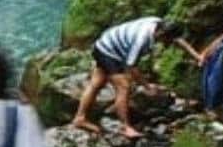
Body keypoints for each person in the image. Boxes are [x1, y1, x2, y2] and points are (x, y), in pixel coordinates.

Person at [70, 17, 199, 139]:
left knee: (96, 83)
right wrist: (147, 87)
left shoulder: (160, 23)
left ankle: (80, 118)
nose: (168, 44)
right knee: (124, 87)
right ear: (161, 34)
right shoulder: (141, 39)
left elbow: (178, 39)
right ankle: (126, 127)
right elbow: (131, 66)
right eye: (167, 40)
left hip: (107, 43)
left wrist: (197, 56)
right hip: (109, 51)